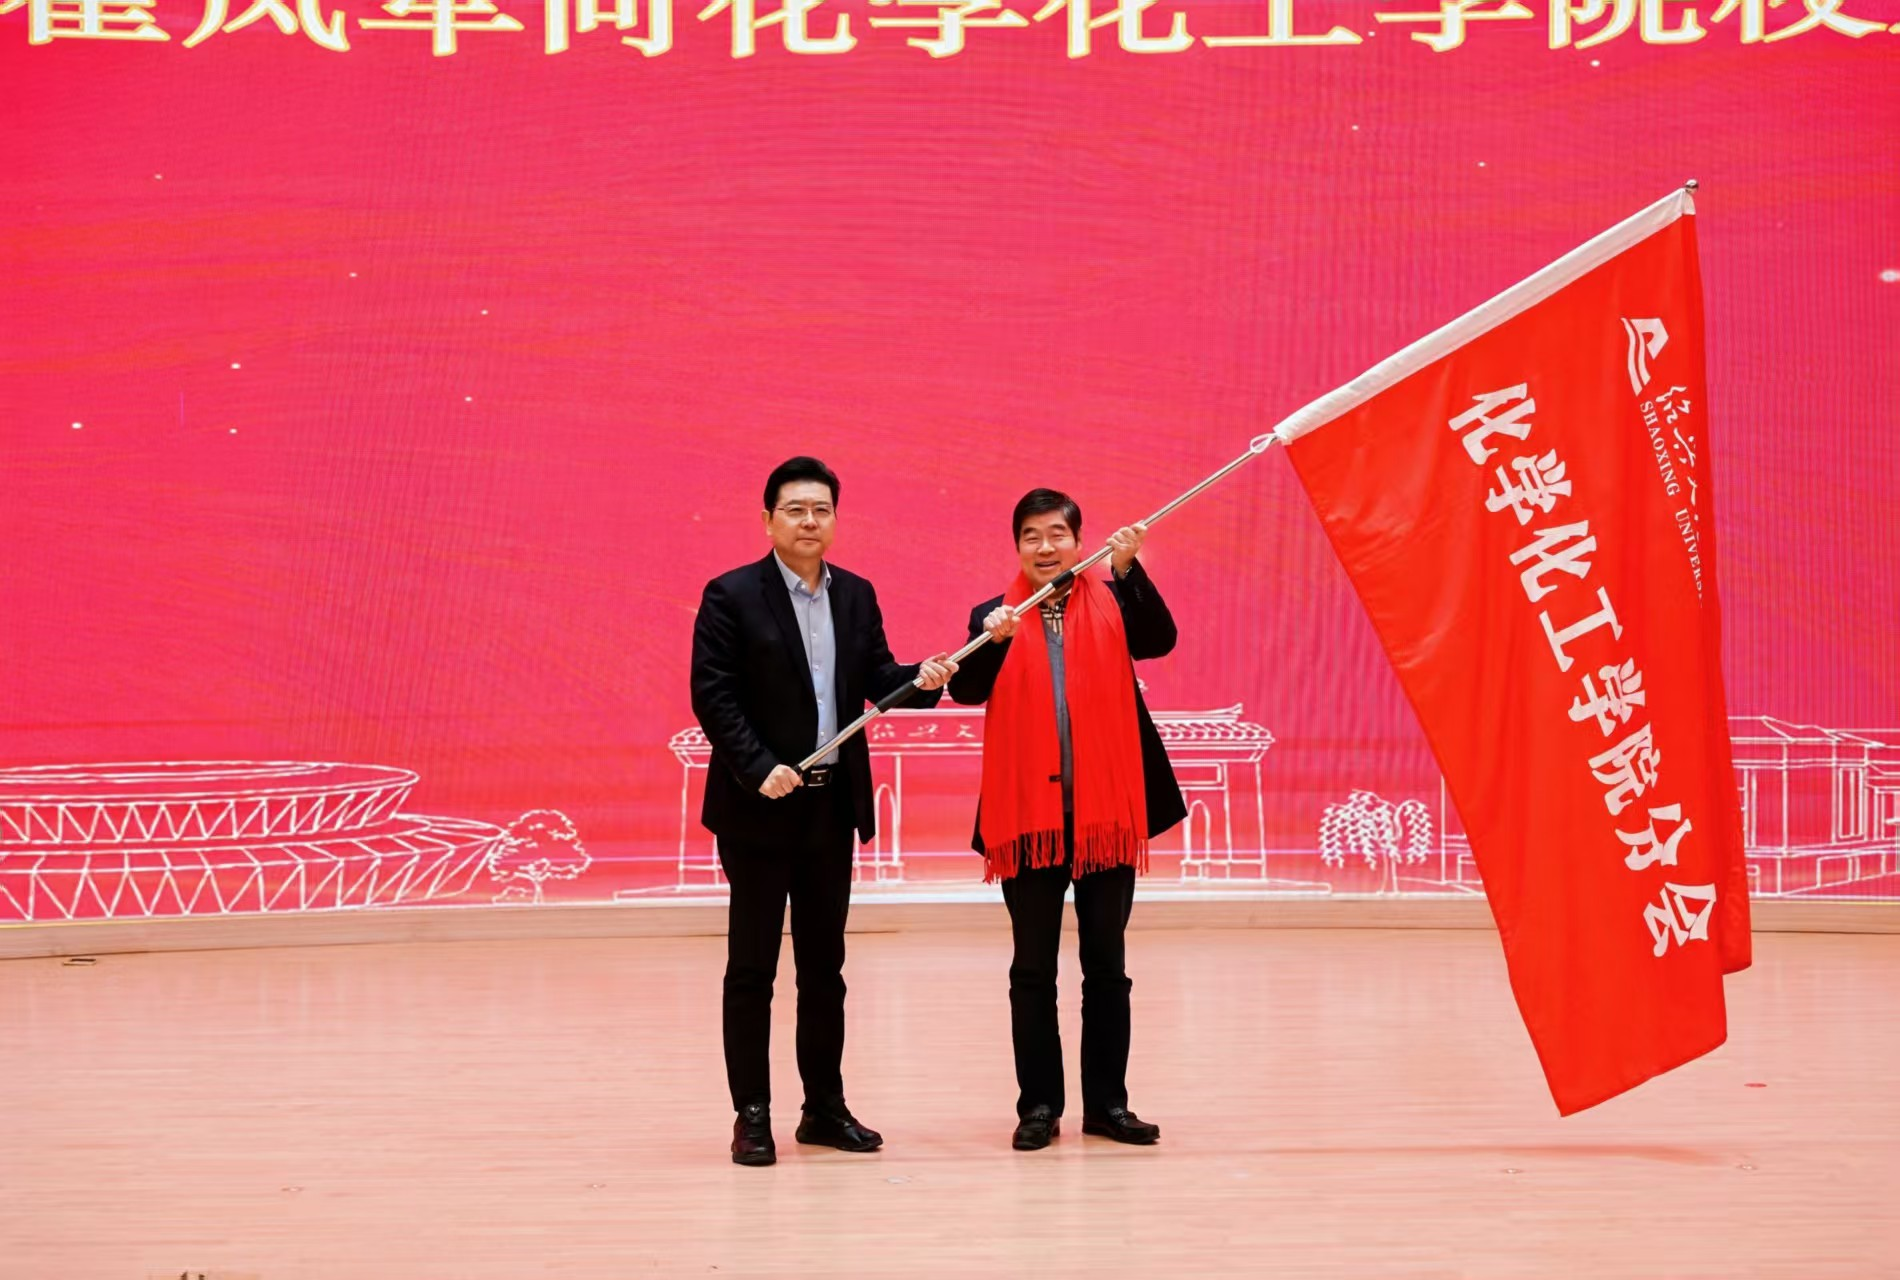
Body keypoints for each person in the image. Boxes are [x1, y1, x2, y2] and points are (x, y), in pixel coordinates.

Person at [690, 456, 956, 1167]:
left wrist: (923, 679)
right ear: (768, 519)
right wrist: (759, 768)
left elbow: (880, 680)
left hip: (828, 811)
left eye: (822, 510)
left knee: (823, 969)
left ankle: (824, 1108)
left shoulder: (856, 596)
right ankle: (752, 1115)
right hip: (758, 809)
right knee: (752, 968)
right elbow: (714, 695)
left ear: (836, 519)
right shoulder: (730, 595)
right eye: (796, 509)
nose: (810, 521)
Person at [947, 487, 1186, 1151]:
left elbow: (1160, 640)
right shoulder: (994, 614)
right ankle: (1038, 1107)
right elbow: (964, 689)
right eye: (1032, 536)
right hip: (1029, 823)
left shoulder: (1113, 599)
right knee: (1032, 971)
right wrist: (992, 641)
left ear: (1080, 543)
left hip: (1105, 819)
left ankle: (1108, 1105)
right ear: (1017, 546)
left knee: (1107, 967)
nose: (1046, 546)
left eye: (1057, 534)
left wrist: (1129, 570)